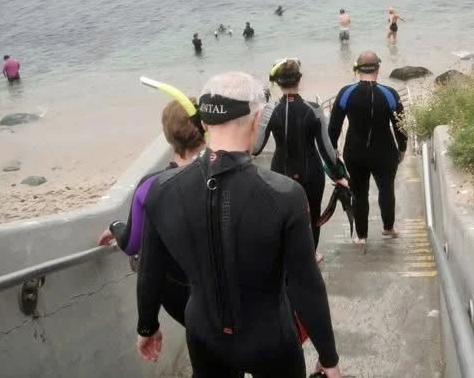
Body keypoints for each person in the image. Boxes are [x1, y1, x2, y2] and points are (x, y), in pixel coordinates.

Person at [135, 71, 342, 378]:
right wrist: (328, 356)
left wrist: (147, 326)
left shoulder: (162, 190)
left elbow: (150, 267)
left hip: (204, 336)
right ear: (258, 119)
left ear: (204, 122)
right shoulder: (284, 195)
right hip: (271, 338)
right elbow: (306, 286)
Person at [97, 98, 205, 324]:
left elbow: (132, 244)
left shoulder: (151, 186)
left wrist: (115, 227)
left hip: (178, 295)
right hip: (225, 292)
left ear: (168, 136)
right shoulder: (228, 174)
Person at [252, 58, 348, 262]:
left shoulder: (270, 112)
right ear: (300, 79)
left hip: (280, 171)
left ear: (277, 83)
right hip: (311, 172)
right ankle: (311, 254)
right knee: (312, 215)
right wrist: (339, 175)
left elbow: (256, 148)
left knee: (283, 216)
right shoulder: (314, 109)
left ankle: (287, 255)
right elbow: (326, 149)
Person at [328, 52, 407, 245]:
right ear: (378, 69)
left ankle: (361, 236)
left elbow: (334, 126)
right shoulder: (390, 94)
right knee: (386, 189)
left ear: (357, 69)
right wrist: (402, 148)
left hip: (355, 152)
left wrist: (333, 149)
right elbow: (401, 126)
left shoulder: (346, 93)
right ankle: (388, 228)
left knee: (359, 193)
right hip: (385, 151)